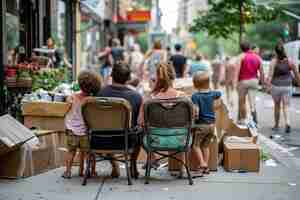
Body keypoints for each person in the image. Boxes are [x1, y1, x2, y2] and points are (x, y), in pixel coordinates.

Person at [139, 62, 186, 173]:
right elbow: (192, 119)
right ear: (173, 77)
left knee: (139, 130)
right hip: (180, 140)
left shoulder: (149, 99)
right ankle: (183, 167)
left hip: (155, 141)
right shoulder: (184, 98)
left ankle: (152, 157)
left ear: (157, 78)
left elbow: (140, 122)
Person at [98, 63, 143, 178]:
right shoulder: (137, 96)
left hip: (101, 139)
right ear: (128, 78)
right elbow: (139, 123)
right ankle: (133, 164)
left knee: (107, 126)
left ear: (111, 75)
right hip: (127, 141)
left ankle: (114, 164)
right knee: (140, 130)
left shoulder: (100, 93)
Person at [63, 70, 102, 179]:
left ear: (80, 83)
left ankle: (68, 171)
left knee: (71, 151)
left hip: (71, 130)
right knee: (90, 153)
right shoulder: (91, 101)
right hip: (85, 132)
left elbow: (67, 104)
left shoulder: (73, 97)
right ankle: (92, 171)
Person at [190, 72, 221, 178]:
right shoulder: (213, 94)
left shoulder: (195, 96)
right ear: (208, 83)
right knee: (205, 146)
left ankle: (202, 163)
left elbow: (196, 111)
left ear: (195, 85)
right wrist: (209, 88)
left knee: (195, 145)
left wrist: (194, 119)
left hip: (201, 125)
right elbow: (219, 93)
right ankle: (206, 166)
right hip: (212, 125)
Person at [267, 43, 300, 133]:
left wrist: (267, 86)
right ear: (284, 50)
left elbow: (270, 75)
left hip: (276, 86)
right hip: (287, 86)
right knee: (286, 106)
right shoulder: (290, 61)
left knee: (277, 106)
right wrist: (299, 83)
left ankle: (276, 125)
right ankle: (288, 123)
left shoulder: (273, 61)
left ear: (276, 52)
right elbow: (296, 74)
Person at [237, 41, 265, 124]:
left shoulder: (241, 57)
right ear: (249, 47)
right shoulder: (258, 58)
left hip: (243, 81)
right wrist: (263, 84)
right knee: (252, 102)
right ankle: (254, 115)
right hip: (254, 81)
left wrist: (235, 82)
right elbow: (262, 72)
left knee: (242, 101)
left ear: (241, 48)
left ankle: (243, 119)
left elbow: (237, 70)